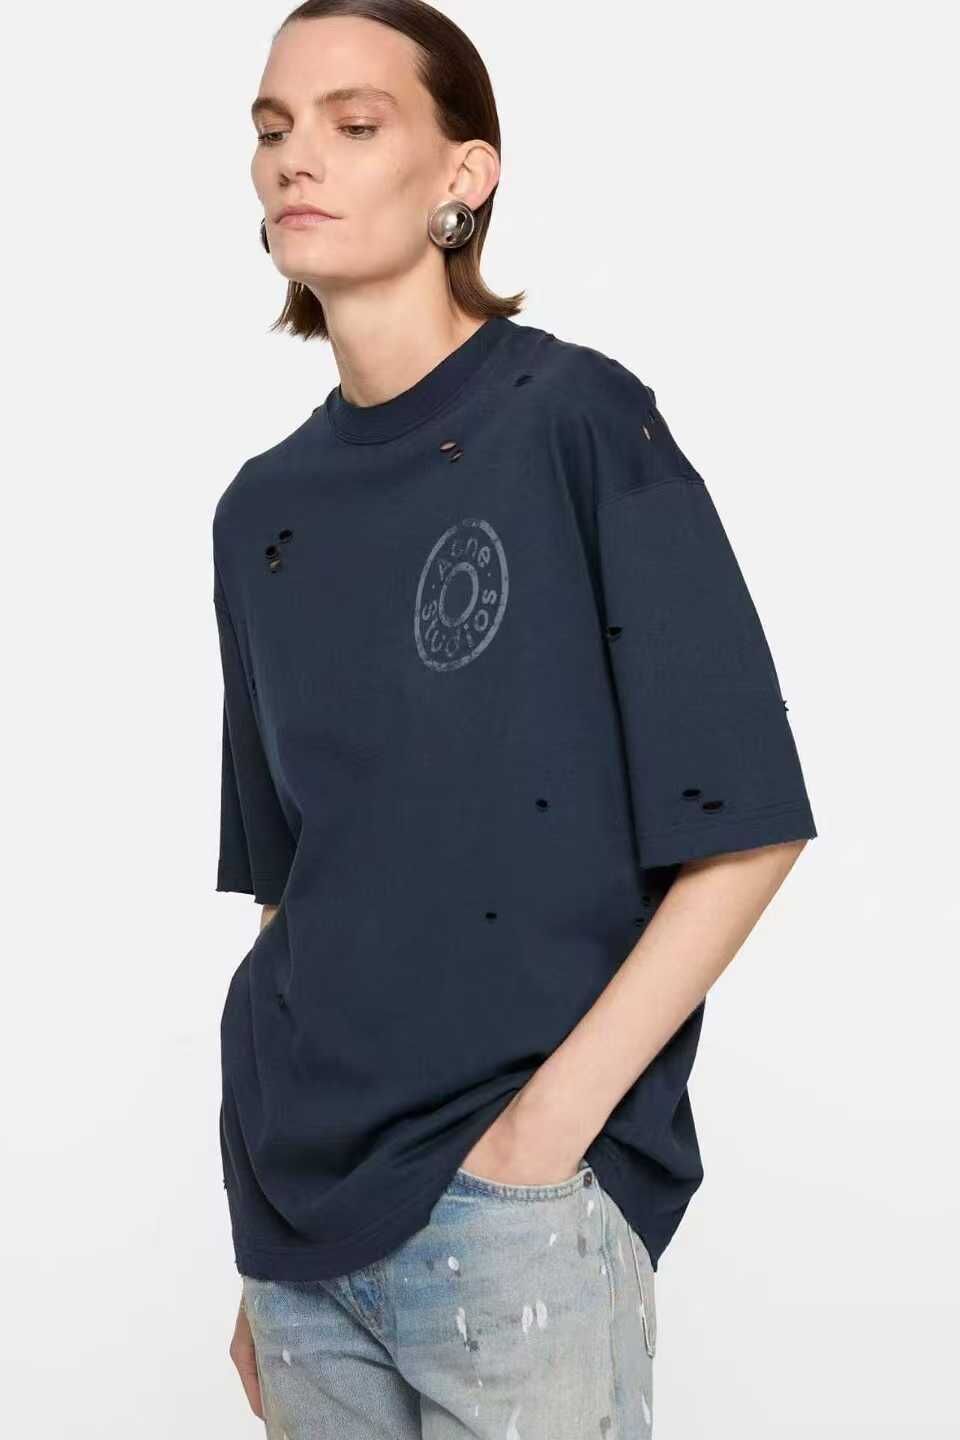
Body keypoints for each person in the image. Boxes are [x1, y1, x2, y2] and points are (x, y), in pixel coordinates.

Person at [213, 3, 818, 1435]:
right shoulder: (261, 512)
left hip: (515, 1212)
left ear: (464, 175)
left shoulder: (576, 422)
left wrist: (544, 1140)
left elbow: (747, 826)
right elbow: (293, 882)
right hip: (299, 1231)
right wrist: (268, 1243)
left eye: (356, 123)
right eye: (274, 127)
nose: (298, 156)